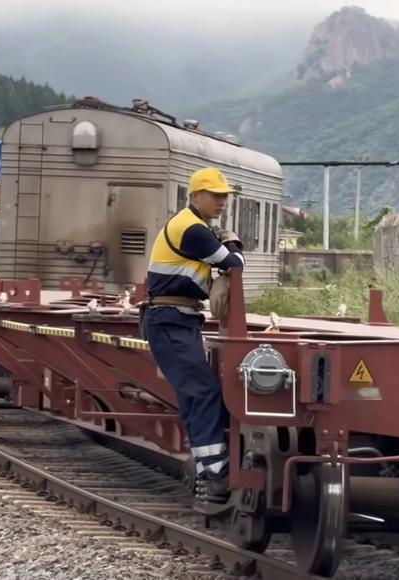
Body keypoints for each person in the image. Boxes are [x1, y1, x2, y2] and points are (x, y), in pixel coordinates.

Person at [142, 167, 244, 513]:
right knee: (203, 393)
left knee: (195, 395)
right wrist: (231, 248)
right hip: (169, 321)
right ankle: (215, 474)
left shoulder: (192, 225)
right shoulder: (192, 229)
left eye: (224, 196)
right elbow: (233, 263)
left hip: (176, 320)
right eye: (215, 195)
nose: (222, 201)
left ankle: (208, 469)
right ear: (196, 195)